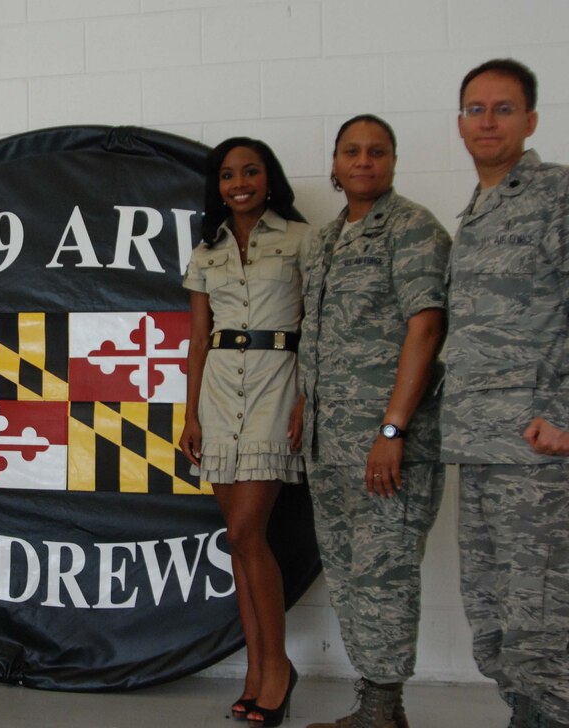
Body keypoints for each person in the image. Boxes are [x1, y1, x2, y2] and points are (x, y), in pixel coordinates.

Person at [296, 115, 450, 728]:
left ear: (393, 161)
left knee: (384, 576)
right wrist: (306, 410)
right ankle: (375, 705)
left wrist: (392, 429)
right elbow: (319, 334)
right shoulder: (325, 241)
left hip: (386, 446)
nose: (364, 161)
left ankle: (385, 709)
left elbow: (427, 326)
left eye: (377, 151)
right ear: (334, 164)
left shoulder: (412, 229)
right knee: (349, 574)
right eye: (352, 151)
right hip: (329, 445)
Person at [444, 58, 569, 728]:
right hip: (481, 442)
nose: (487, 121)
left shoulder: (556, 194)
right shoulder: (477, 212)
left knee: (543, 610)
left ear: (531, 120)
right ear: (460, 123)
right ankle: (525, 714)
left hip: (538, 446)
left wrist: (566, 418)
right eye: (475, 109)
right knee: (491, 607)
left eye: (503, 108)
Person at [179, 138, 306, 726]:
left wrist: (309, 396)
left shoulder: (305, 240)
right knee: (237, 541)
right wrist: (190, 414)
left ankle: (277, 668)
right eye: (228, 174)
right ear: (218, 184)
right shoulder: (206, 251)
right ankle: (257, 668)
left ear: (269, 178)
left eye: (251, 171)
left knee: (247, 532)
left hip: (278, 385)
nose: (240, 182)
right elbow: (198, 339)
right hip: (220, 390)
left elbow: (318, 326)